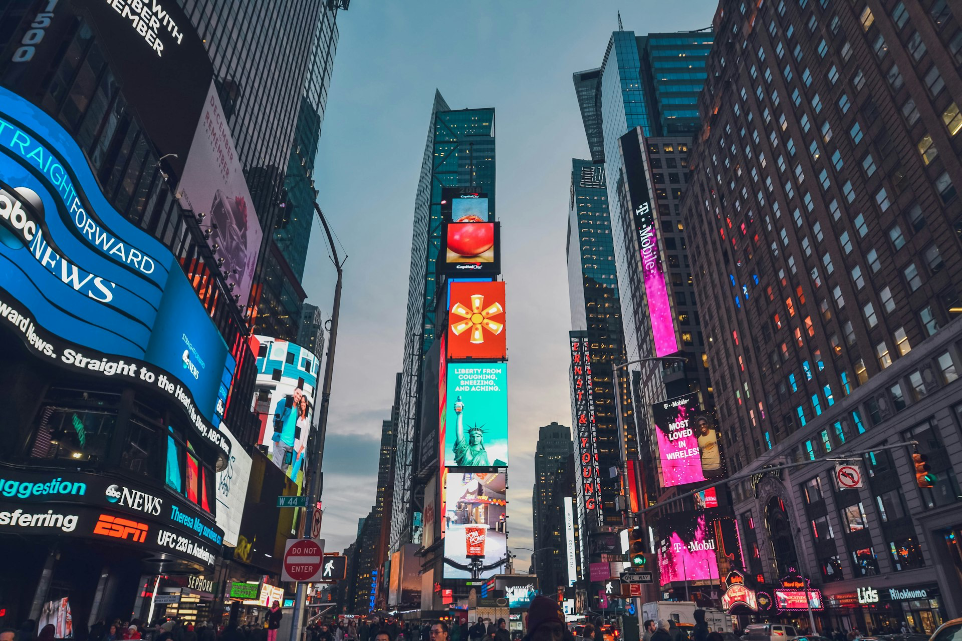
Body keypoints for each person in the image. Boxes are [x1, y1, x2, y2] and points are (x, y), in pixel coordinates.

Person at [272, 386, 304, 473]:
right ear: (294, 392)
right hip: (281, 441)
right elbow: (276, 419)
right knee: (276, 467)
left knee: (284, 470)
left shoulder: (298, 410)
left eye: (300, 396)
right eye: (297, 393)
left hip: (290, 446)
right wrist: (277, 437)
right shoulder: (284, 402)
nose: (298, 396)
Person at [452, 397, 490, 467]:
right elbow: (459, 435)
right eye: (473, 436)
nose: (475, 438)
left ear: (481, 438)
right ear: (470, 438)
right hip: (461, 476)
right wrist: (459, 415)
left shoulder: (484, 454)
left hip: (480, 477)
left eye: (478, 436)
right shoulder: (465, 450)